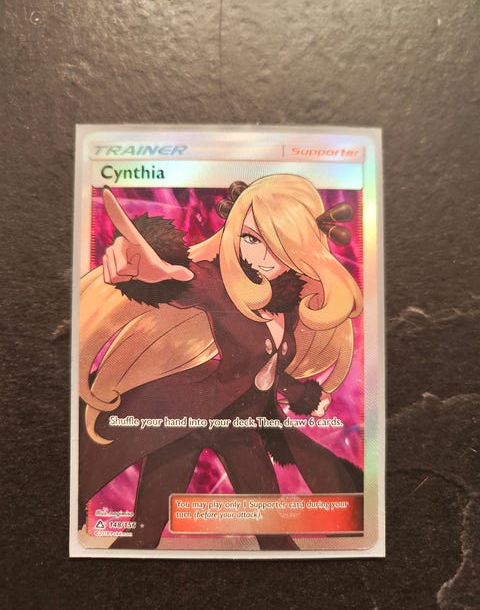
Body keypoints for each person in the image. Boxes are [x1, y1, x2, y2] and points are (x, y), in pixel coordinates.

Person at [78, 174, 363, 550]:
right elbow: (188, 279)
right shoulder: (221, 286)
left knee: (274, 534)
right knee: (144, 531)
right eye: (251, 238)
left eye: (279, 244)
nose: (262, 257)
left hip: (241, 426)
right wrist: (157, 271)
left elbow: (269, 369)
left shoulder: (289, 305)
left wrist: (305, 395)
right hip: (185, 421)